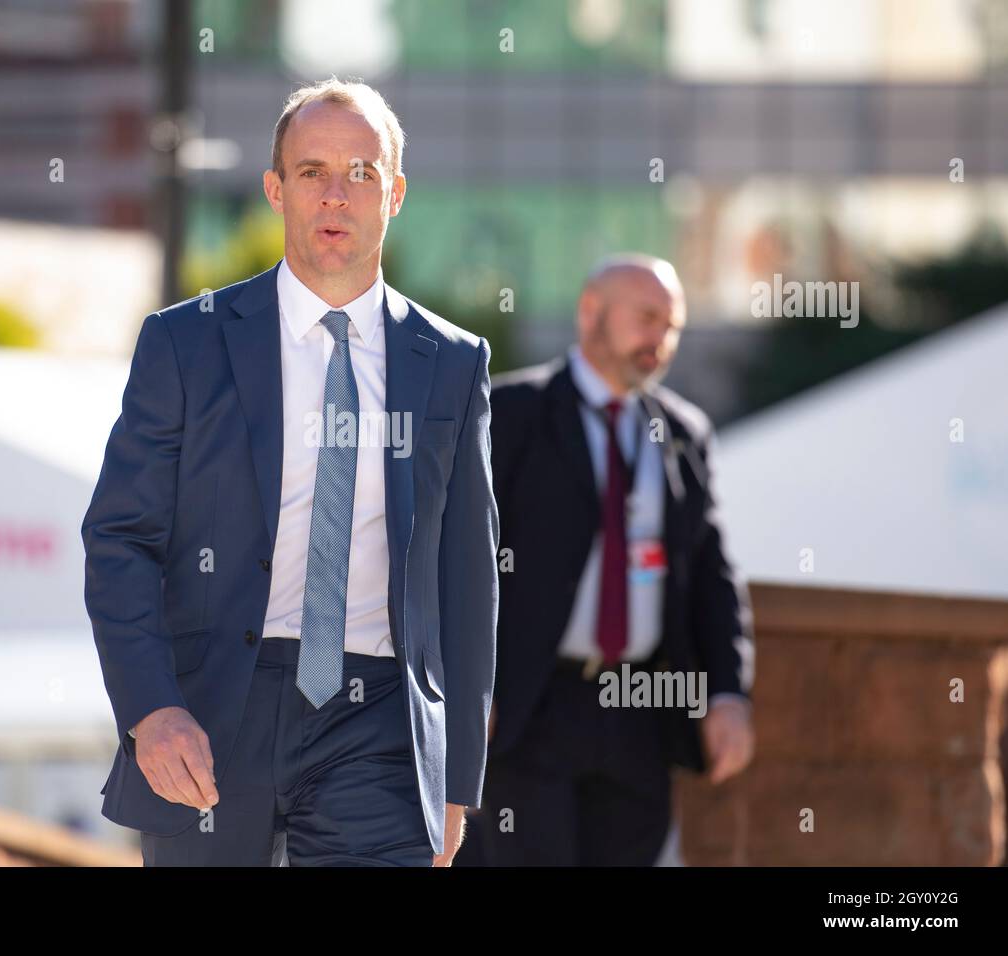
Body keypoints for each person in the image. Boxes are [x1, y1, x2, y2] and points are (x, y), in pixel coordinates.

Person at [81, 78, 499, 866]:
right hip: (211, 714)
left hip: (376, 719)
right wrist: (150, 710)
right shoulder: (187, 344)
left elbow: (467, 578)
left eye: (361, 174)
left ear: (396, 194)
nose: (336, 196)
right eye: (312, 173)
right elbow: (120, 539)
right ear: (275, 189)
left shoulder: (450, 362)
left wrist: (456, 776)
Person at [476, 254, 754, 866]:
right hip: (529, 707)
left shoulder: (683, 432)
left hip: (640, 712)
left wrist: (730, 694)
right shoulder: (510, 412)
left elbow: (711, 573)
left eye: (674, 325)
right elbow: (459, 559)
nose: (662, 338)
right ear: (590, 312)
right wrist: (467, 682)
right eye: (648, 317)